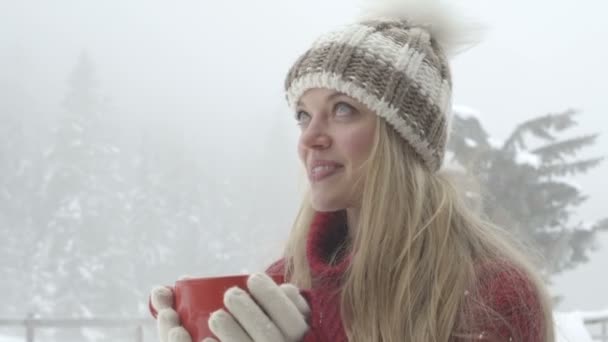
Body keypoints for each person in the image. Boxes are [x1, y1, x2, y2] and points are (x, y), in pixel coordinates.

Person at [150, 0, 556, 341]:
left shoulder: (493, 294)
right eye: (303, 116)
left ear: (404, 138)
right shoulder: (284, 285)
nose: (310, 138)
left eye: (342, 109)